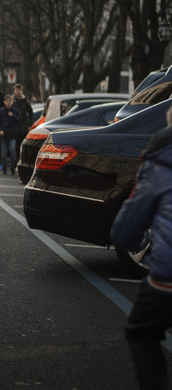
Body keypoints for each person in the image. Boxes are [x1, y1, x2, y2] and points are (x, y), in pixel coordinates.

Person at [111, 105, 172, 390]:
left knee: (142, 334)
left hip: (167, 278)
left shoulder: (159, 162)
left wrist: (147, 241)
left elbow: (124, 234)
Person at [0, 94, 21, 175]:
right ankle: (4, 168)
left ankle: (12, 168)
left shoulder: (15, 111)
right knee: (4, 153)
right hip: (4, 135)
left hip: (12, 134)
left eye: (10, 101)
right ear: (4, 102)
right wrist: (0, 130)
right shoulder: (1, 111)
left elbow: (19, 121)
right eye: (7, 101)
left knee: (12, 151)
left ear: (12, 102)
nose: (9, 102)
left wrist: (13, 116)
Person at [12, 83, 34, 158]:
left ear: (22, 91)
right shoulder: (11, 101)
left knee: (22, 145)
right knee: (14, 146)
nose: (18, 92)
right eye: (16, 90)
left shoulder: (25, 101)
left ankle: (22, 160)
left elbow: (31, 113)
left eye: (19, 90)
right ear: (14, 91)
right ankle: (14, 162)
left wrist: (30, 125)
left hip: (24, 127)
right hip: (13, 127)